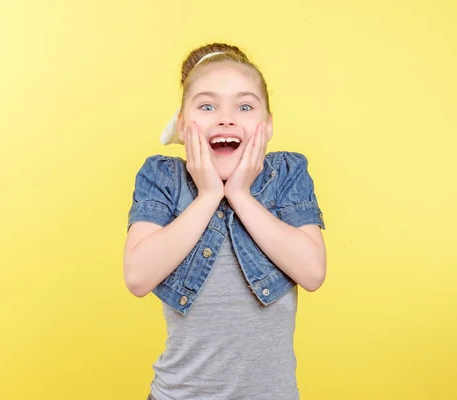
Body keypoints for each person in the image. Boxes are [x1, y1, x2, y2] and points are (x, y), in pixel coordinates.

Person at [123, 42, 327, 400]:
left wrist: (241, 194)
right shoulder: (162, 177)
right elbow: (138, 277)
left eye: (245, 106)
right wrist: (207, 196)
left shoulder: (287, 174)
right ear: (184, 127)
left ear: (267, 126)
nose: (226, 118)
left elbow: (312, 272)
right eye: (207, 106)